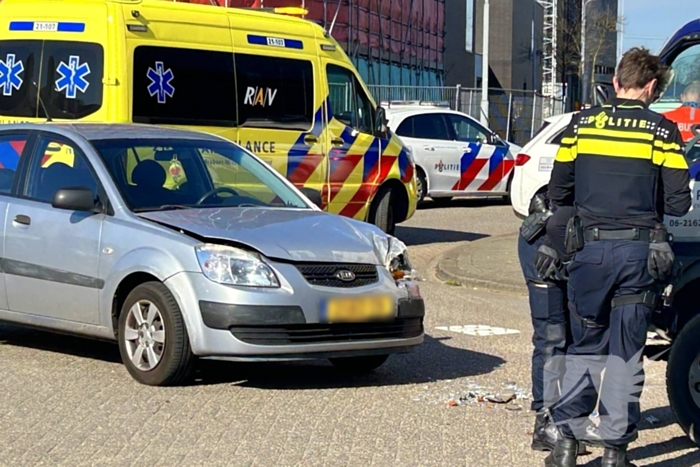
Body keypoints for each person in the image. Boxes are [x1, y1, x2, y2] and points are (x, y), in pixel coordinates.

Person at [544, 47, 692, 467]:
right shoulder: (662, 131)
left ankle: (566, 446)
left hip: (589, 253)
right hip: (637, 256)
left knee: (585, 349)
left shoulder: (581, 125)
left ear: (615, 83)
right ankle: (614, 453)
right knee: (625, 355)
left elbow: (558, 192)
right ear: (651, 87)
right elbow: (679, 203)